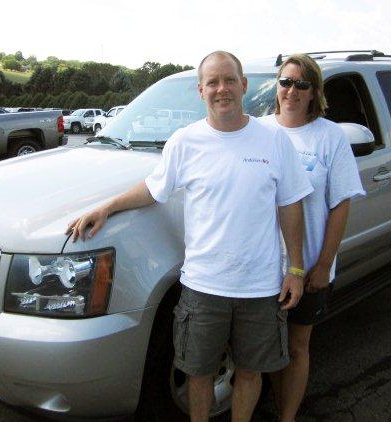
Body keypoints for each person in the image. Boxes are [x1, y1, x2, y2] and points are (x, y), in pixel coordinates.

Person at [66, 51, 313, 422]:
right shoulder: (185, 142)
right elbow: (153, 189)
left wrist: (295, 269)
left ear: (244, 85)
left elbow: (291, 206)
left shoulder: (274, 142)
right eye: (212, 82)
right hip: (202, 287)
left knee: (249, 372)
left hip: (260, 287)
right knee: (198, 372)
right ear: (201, 91)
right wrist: (108, 207)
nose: (222, 89)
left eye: (229, 80)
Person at [259, 54, 365, 422]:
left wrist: (322, 265)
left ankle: (286, 417)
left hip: (307, 268)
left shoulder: (330, 136)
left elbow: (340, 205)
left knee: (298, 345)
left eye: (301, 85)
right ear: (276, 86)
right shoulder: (255, 130)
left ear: (314, 91)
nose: (291, 91)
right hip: (260, 268)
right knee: (267, 347)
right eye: (285, 82)